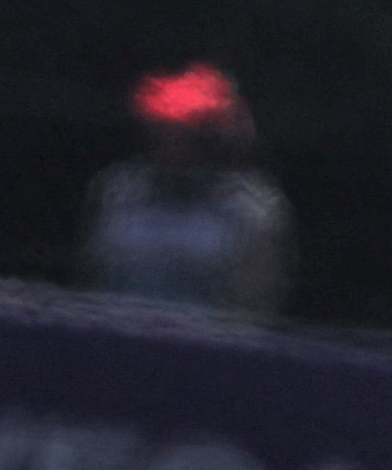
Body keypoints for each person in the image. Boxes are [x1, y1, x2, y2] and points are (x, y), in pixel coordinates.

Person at [83, 65, 294, 319]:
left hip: (204, 348)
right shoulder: (119, 191)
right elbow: (90, 279)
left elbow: (252, 307)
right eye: (164, 129)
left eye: (188, 131)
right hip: (113, 338)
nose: (173, 142)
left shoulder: (252, 210)